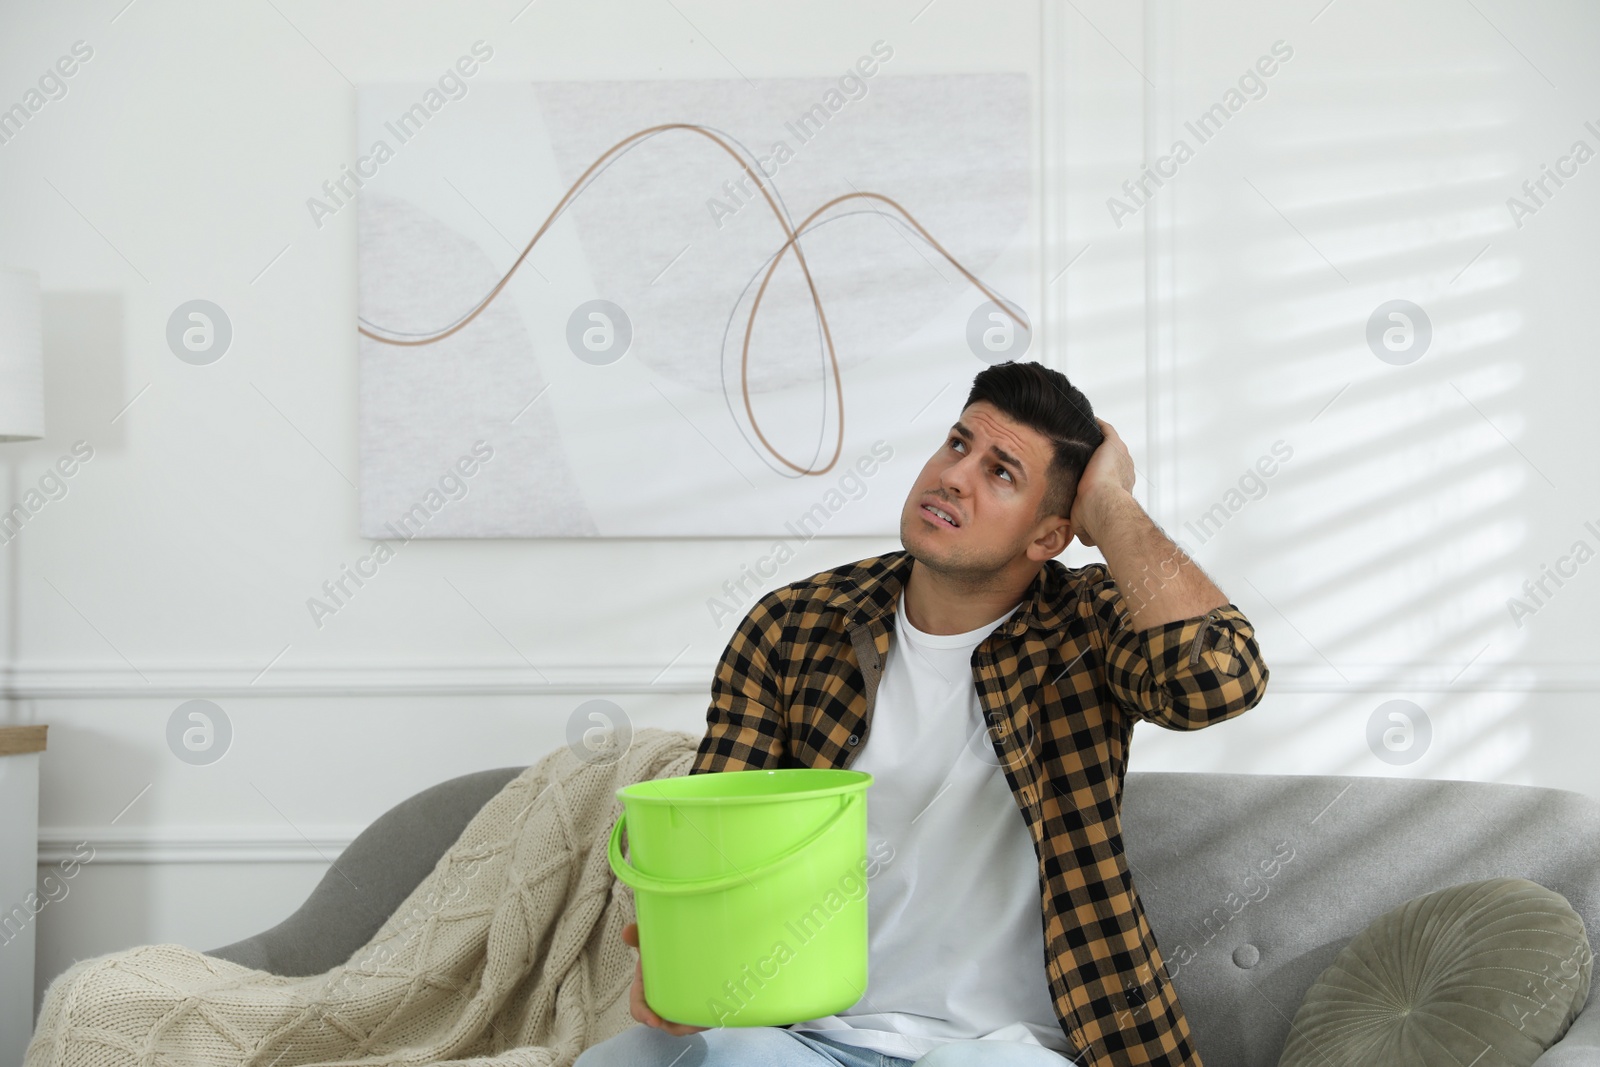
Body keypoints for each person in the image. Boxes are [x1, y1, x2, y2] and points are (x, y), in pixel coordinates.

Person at [576, 360, 1270, 1067]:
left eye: (1002, 472)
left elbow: (1222, 679)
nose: (954, 476)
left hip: (1004, 1047)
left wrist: (1109, 502)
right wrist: (675, 951)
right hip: (802, 1028)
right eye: (958, 443)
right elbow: (711, 831)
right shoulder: (793, 625)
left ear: (1049, 536)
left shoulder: (1087, 627)